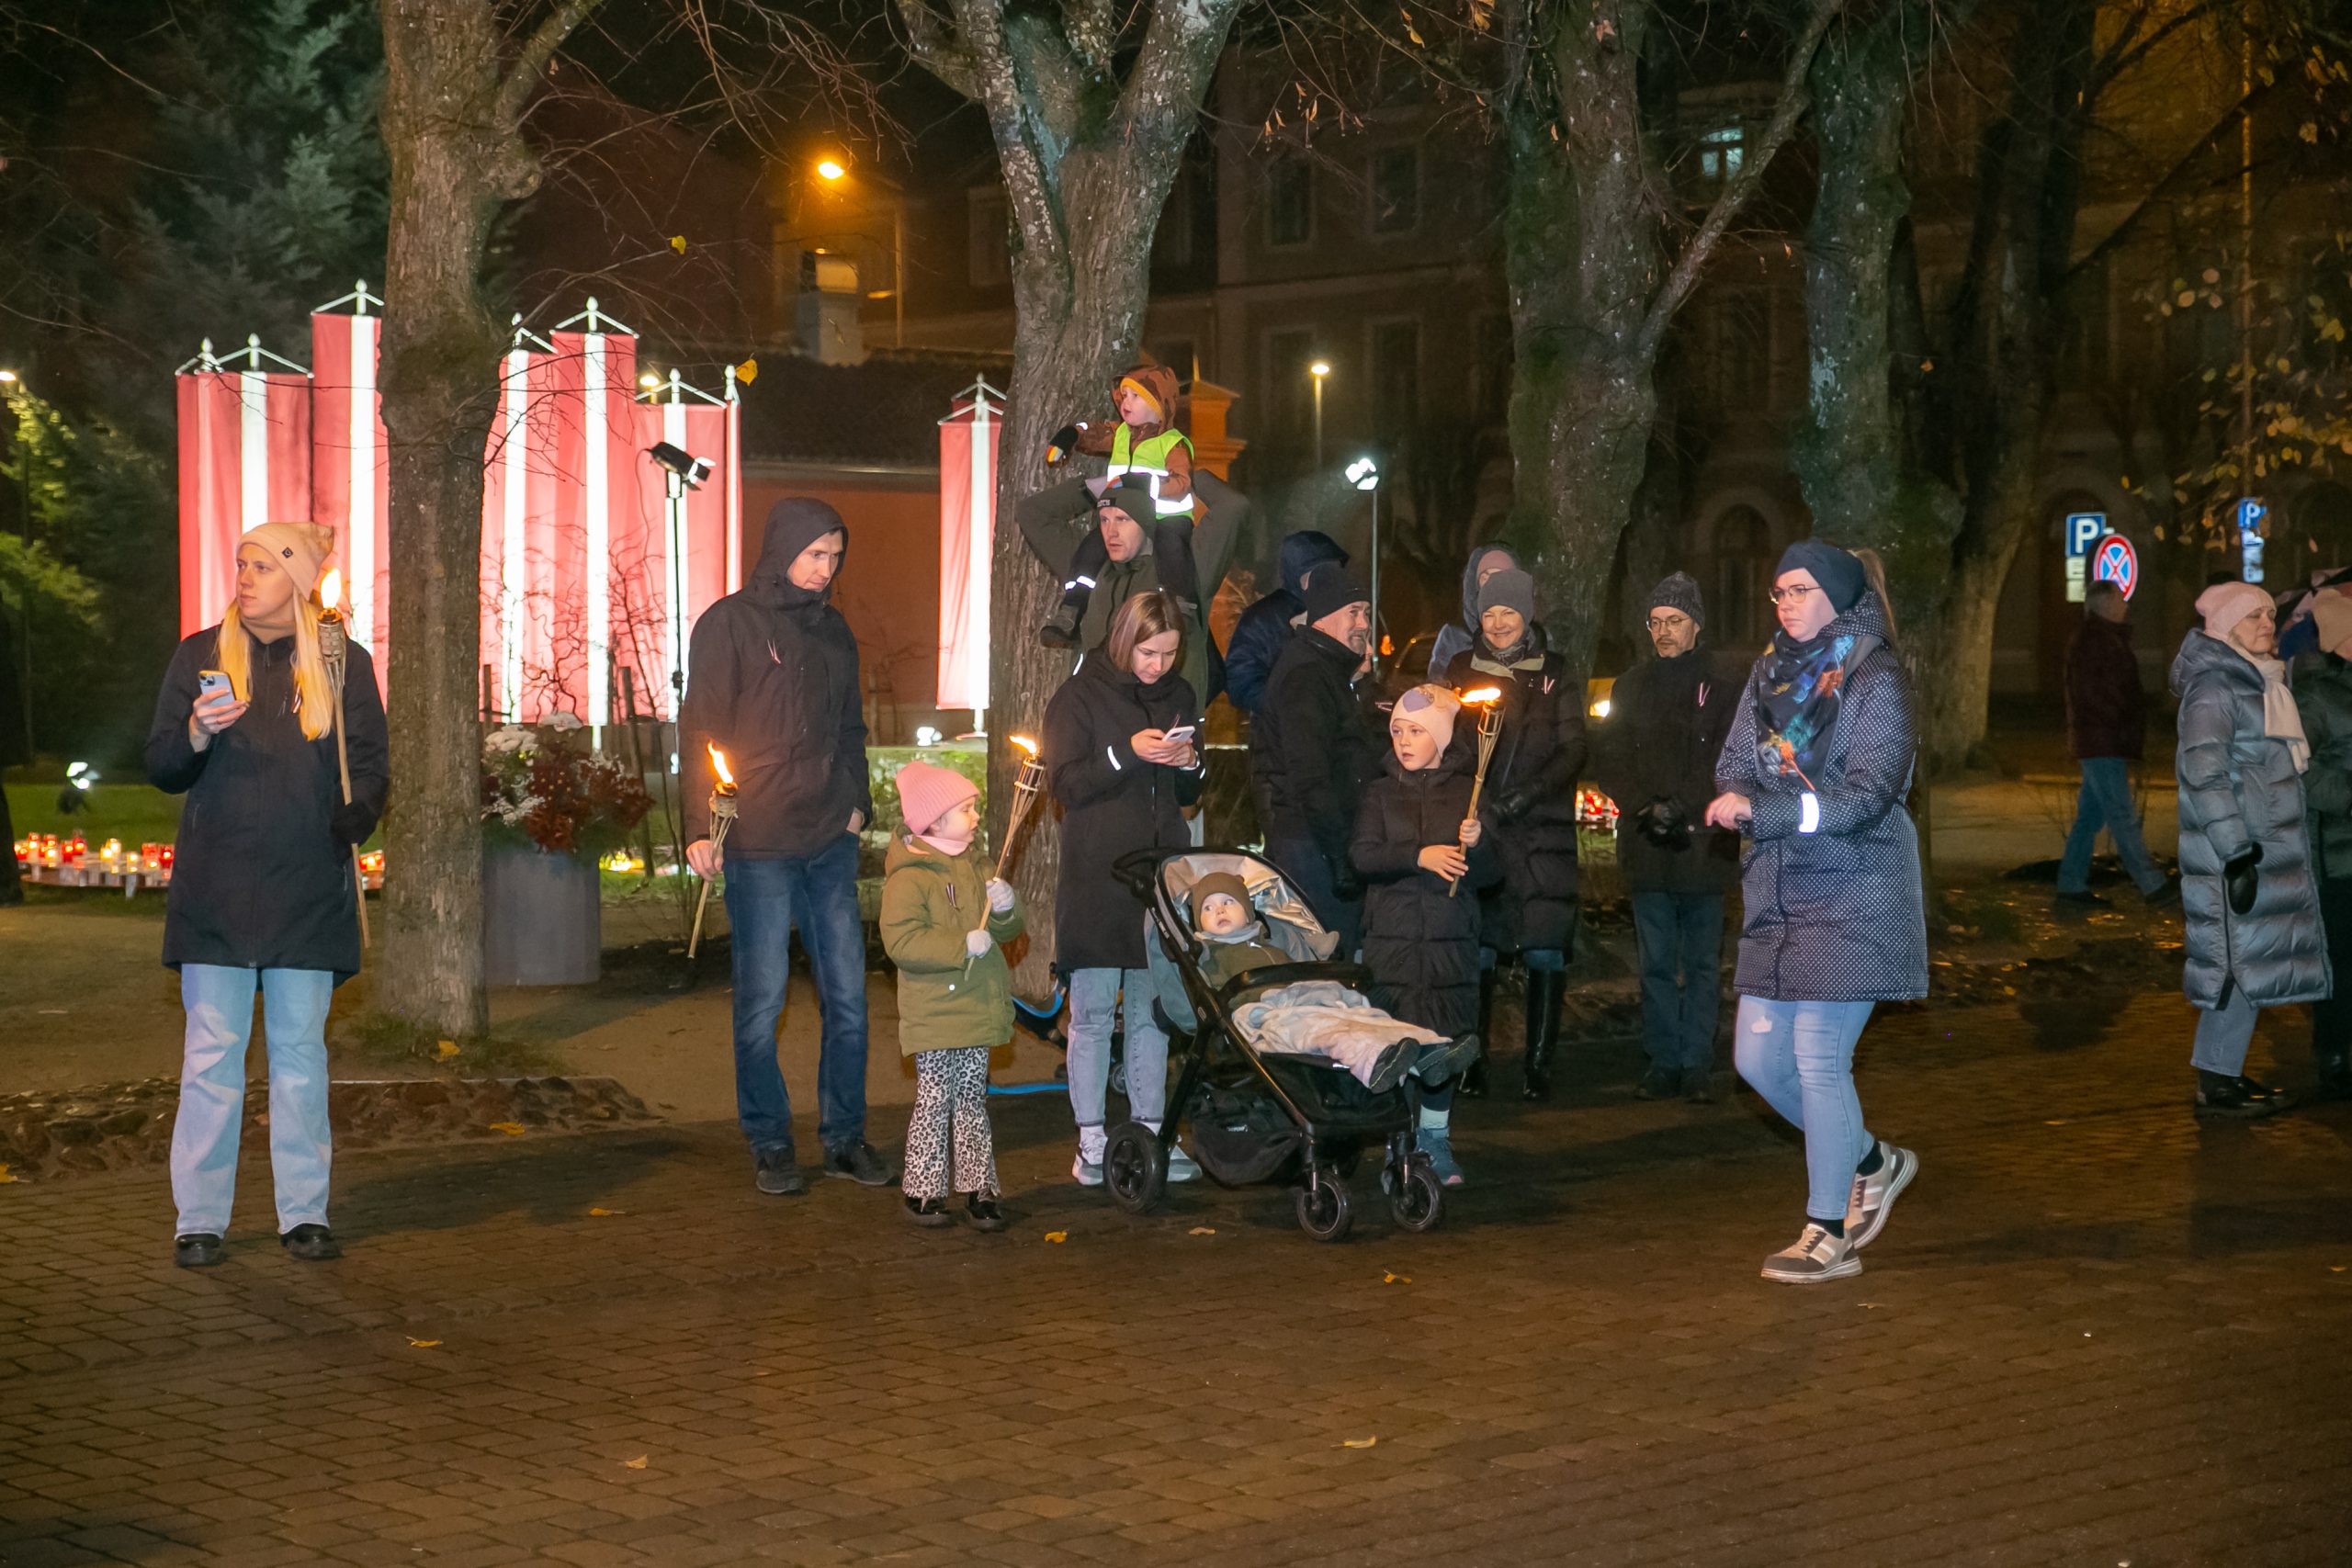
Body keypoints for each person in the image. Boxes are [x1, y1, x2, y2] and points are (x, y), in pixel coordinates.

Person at [146, 522, 388, 1269]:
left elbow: (371, 762)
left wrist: (359, 811)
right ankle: (198, 1219)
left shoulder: (342, 661)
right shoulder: (199, 654)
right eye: (241, 563)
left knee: (299, 1057)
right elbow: (160, 764)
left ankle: (305, 1213)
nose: (245, 577)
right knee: (210, 1058)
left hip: (305, 889)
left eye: (263, 565)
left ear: (299, 581)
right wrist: (195, 731)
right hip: (216, 890)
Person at [1706, 540, 1923, 1285]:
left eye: (1799, 589)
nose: (1785, 603)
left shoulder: (1874, 676)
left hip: (1854, 889)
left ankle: (1829, 1234)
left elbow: (1867, 794)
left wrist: (1765, 810)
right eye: (1779, 591)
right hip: (1779, 891)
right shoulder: (1769, 670)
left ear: (1835, 595)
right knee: (1756, 1061)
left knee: (1818, 1059)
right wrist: (1739, 798)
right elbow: (1735, 762)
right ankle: (1870, 1159)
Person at [682, 498, 892, 1197]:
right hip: (759, 842)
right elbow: (701, 727)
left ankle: (845, 1137)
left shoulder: (835, 630)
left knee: (849, 999)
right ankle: (770, 1141)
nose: (825, 568)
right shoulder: (730, 624)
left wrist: (856, 807)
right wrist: (699, 825)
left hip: (829, 837)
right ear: (783, 549)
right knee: (761, 1002)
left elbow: (851, 728)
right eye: (814, 554)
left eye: (835, 556)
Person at [1043, 590, 1208, 1186]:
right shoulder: (1079, 696)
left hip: (1159, 873)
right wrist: (1126, 753)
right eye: (1148, 652)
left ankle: (1150, 1131)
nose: (1158, 665)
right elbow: (1065, 784)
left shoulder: (1179, 695)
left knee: (1151, 1012)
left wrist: (1189, 764)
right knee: (1091, 1013)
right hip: (1098, 875)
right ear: (1123, 639)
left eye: (1168, 653)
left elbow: (1191, 791)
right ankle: (1091, 1139)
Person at [2173, 580, 2328, 1117]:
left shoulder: (2258, 682)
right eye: (2253, 617)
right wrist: (2236, 853)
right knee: (2237, 967)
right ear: (2224, 627)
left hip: (2260, 850)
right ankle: (2217, 1084)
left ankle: (2221, 1075)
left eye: (2269, 614)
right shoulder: (2216, 689)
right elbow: (2204, 774)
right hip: (2237, 855)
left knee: (2249, 965)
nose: (2268, 624)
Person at [1590, 572, 1740, 1103]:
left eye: (1674, 621)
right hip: (1647, 843)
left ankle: (1696, 1061)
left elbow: (1728, 757)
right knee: (1654, 964)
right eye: (1655, 622)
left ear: (1696, 624)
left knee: (1701, 963)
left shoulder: (1724, 685)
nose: (1664, 632)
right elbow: (1610, 755)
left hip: (1703, 844)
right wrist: (1643, 805)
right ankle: (1662, 1059)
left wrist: (1685, 805)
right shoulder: (1630, 686)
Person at [1441, 567, 1584, 1100]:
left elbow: (1573, 747)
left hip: (1542, 829)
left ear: (1527, 615)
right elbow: (1446, 740)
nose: (1498, 623)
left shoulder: (1555, 672)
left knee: (1544, 948)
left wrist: (1526, 797)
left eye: (1509, 612)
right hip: (1483, 828)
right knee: (1479, 946)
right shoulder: (1462, 668)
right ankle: (1471, 1061)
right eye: (1489, 613)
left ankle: (1539, 1065)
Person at [1351, 683, 1498, 1185]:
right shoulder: (1379, 792)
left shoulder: (1468, 794)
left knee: (1441, 1045)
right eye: (1397, 731)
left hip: (1448, 942)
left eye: (1416, 731)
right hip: (1391, 944)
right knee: (1395, 1047)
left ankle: (1434, 1139)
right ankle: (1398, 1148)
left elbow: (1493, 874)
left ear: (1442, 737)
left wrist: (1480, 843)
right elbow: (1362, 856)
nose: (1404, 741)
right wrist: (1419, 855)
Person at [878, 761, 1023, 1231]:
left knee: (972, 1100)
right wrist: (960, 946)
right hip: (935, 1012)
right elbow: (903, 942)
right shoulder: (909, 878)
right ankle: (922, 1190)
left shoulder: (980, 866)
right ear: (934, 822)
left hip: (975, 1007)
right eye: (966, 809)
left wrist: (1005, 910)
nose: (976, 815)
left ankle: (980, 1189)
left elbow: (1006, 930)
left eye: (974, 806)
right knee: (935, 1098)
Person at [1193, 873, 1475, 1090]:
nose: (1219, 911)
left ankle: (1431, 1050)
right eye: (1208, 908)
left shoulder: (1275, 944)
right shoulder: (1210, 954)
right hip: (1264, 1015)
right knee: (1327, 1032)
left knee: (1365, 1018)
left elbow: (1304, 965)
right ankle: (1374, 1064)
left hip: (1304, 1000)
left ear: (1248, 912)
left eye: (1228, 902)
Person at [1016, 464, 1245, 705]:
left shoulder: (1187, 568)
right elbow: (1033, 512)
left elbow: (1233, 506)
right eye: (1104, 520)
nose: (1111, 532)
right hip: (1098, 718)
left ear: (1145, 521)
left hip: (1167, 722)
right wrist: (1101, 486)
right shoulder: (1091, 569)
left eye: (1123, 519)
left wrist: (1182, 475)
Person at [1253, 563, 1381, 955]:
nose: (1363, 624)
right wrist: (1340, 857)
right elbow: (1311, 774)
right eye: (1353, 612)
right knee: (1325, 965)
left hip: (1318, 844)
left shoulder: (1327, 669)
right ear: (1323, 617)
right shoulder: (1307, 674)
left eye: (1366, 612)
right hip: (1313, 850)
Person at [1040, 364, 1198, 647]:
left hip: (1166, 517)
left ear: (1158, 404)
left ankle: (1181, 607)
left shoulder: (1173, 443)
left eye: (1136, 396)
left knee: (1172, 550)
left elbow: (1181, 482)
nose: (1126, 403)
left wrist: (1144, 485)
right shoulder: (1122, 433)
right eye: (1124, 396)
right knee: (1091, 549)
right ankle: (1072, 609)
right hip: (1127, 517)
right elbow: (1095, 431)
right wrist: (1072, 435)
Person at [2055, 581, 2176, 908]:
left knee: (2090, 817)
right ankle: (2152, 885)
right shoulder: (2098, 641)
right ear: (2106, 604)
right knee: (2121, 815)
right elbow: (2102, 694)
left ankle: (2070, 885)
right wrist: (2122, 722)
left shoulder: (2096, 639)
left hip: (2099, 738)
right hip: (2103, 739)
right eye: (2120, 599)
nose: (2126, 605)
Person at [2290, 585, 2352, 1100]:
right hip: (2337, 852)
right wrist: (2348, 797)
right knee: (2340, 959)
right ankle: (2334, 1054)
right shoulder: (2314, 696)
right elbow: (2293, 768)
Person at [1224, 530, 1349, 717]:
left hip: (1333, 727)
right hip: (1281, 730)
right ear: (1299, 573)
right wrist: (1290, 706)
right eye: (1323, 571)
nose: (1332, 579)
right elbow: (1240, 681)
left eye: (1336, 570)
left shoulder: (1344, 612)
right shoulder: (1263, 617)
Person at [1426, 542, 1523, 679]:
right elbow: (1437, 683)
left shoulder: (1534, 637)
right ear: (1474, 583)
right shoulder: (1453, 636)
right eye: (1486, 577)